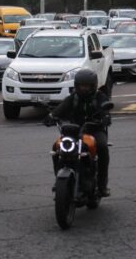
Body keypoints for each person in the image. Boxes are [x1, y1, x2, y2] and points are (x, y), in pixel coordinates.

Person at [46, 69, 111, 197]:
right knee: (57, 146)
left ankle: (102, 185)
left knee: (102, 147)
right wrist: (51, 116)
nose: (84, 89)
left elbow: (106, 110)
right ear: (77, 85)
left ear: (93, 86)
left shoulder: (100, 97)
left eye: (87, 86)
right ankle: (58, 176)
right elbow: (62, 108)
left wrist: (105, 117)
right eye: (82, 86)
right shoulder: (73, 98)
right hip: (75, 131)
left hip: (94, 130)